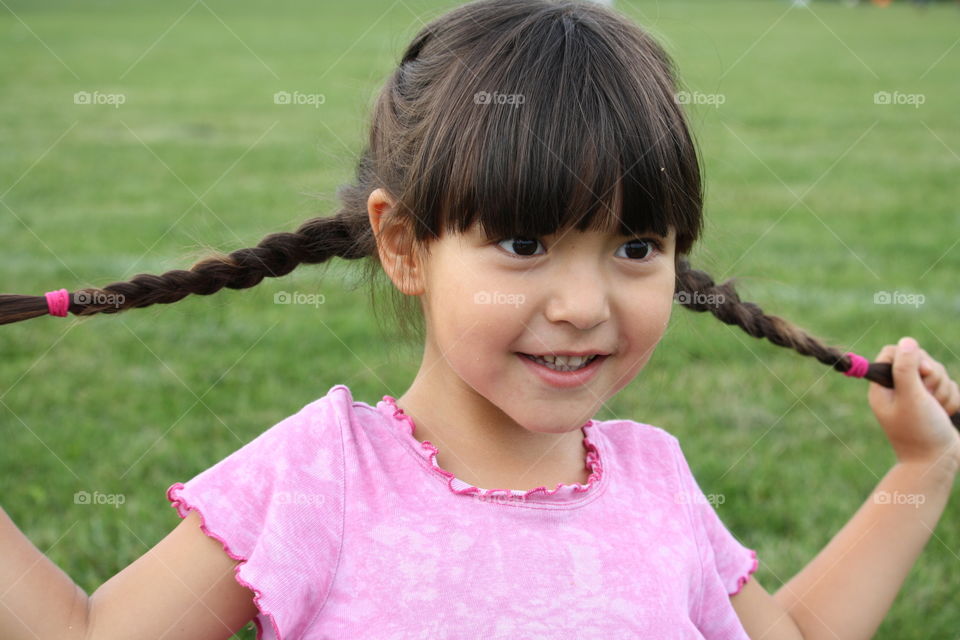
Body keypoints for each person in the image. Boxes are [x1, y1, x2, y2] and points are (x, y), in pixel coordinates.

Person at [2, 0, 959, 638]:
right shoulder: (321, 478)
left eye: (634, 249)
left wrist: (924, 465)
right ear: (406, 245)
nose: (583, 306)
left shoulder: (656, 482)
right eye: (524, 244)